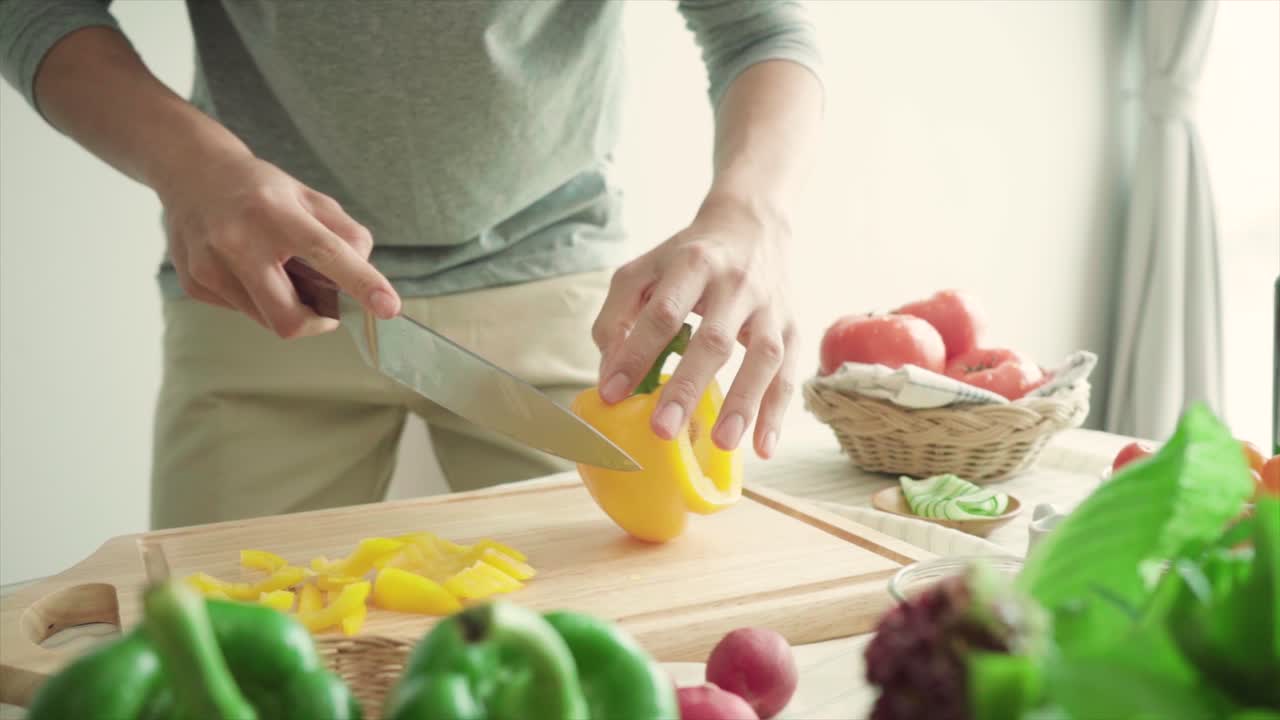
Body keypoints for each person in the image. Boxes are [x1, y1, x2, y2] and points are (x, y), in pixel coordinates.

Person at [0, 1, 824, 529]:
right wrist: (189, 165)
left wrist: (755, 211)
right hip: (255, 287)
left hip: (563, 312)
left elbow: (759, 25)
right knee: (208, 668)